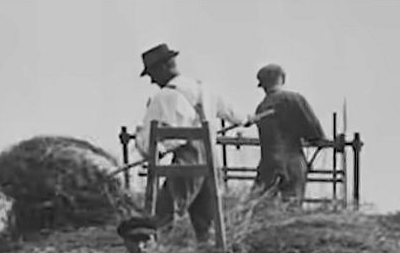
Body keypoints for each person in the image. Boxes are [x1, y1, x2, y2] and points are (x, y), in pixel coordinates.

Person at [135, 43, 253, 242]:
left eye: (152, 74)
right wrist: (249, 119)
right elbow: (235, 115)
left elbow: (159, 139)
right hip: (211, 159)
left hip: (188, 159)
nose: (152, 81)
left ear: (164, 67)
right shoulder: (203, 87)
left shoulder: (164, 96)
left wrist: (152, 148)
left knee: (163, 211)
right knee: (205, 220)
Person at [252, 64, 326, 205]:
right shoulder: (295, 100)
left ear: (263, 85)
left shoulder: (261, 108)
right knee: (292, 208)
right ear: (283, 79)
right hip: (292, 162)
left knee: (262, 208)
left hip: (268, 164)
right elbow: (315, 133)